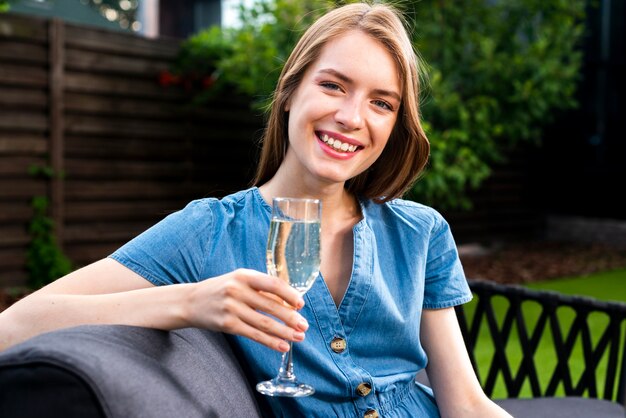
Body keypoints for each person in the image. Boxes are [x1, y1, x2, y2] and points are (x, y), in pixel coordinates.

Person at [0, 2, 512, 417]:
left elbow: (465, 403)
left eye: (382, 102)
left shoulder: (421, 231)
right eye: (333, 85)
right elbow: (13, 327)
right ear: (290, 92)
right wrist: (189, 303)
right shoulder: (208, 231)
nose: (352, 116)